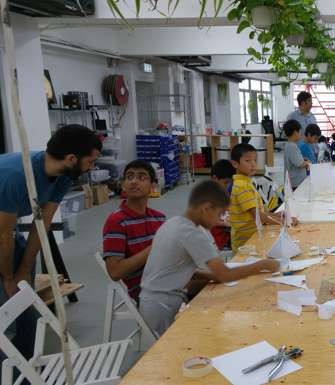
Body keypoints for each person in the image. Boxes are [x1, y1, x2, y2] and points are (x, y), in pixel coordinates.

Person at [0, 124, 101, 359]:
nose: (92, 167)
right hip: (2, 234)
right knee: (6, 319)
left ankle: (28, 374)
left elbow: (42, 224)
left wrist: (24, 269)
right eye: (90, 161)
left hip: (8, 234)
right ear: (71, 158)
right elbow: (2, 236)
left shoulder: (63, 176)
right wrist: (7, 278)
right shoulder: (14, 176)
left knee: (26, 309)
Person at [139, 180, 280, 336]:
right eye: (220, 215)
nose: (220, 221)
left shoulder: (173, 223)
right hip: (163, 305)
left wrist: (213, 275)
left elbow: (174, 268)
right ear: (206, 209)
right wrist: (262, 265)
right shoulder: (192, 233)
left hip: (151, 300)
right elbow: (226, 275)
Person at [102, 160, 166, 301]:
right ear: (123, 185)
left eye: (142, 177)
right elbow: (115, 271)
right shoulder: (117, 221)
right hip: (148, 291)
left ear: (153, 185)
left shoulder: (159, 218)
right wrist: (153, 248)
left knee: (213, 282)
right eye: (129, 177)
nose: (134, 181)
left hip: (166, 278)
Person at [229, 143, 297, 252]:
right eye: (248, 161)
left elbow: (258, 213)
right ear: (235, 164)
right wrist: (284, 222)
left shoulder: (246, 182)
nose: (253, 164)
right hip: (246, 243)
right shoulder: (242, 186)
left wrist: (275, 215)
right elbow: (258, 216)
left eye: (254, 160)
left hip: (254, 235)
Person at [209, 159, 236, 250]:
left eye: (229, 183)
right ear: (215, 178)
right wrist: (225, 224)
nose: (227, 186)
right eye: (225, 182)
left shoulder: (222, 192)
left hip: (226, 234)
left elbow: (228, 208)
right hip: (218, 240)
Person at [283, 119, 310, 189]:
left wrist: (303, 159)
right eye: (300, 132)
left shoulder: (289, 145)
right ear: (295, 132)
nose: (300, 134)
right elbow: (299, 164)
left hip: (294, 182)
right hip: (296, 183)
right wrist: (307, 163)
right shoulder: (292, 146)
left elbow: (294, 160)